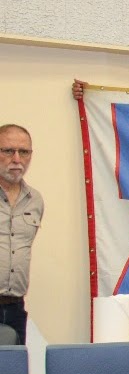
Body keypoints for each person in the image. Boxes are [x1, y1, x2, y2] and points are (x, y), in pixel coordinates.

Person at [0, 124, 39, 344]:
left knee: (14, 373)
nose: (17, 159)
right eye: (8, 151)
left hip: (15, 307)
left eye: (24, 152)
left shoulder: (35, 200)